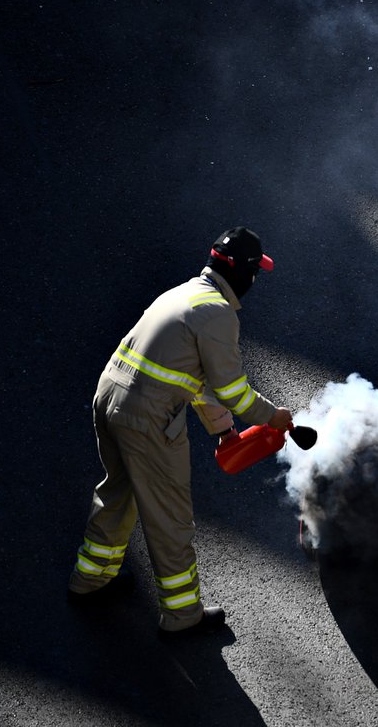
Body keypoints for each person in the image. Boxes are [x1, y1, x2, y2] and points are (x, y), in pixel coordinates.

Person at [67, 226, 294, 637]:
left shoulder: (185, 294)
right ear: (244, 272)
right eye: (256, 271)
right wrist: (271, 416)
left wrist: (223, 432)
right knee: (169, 515)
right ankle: (182, 615)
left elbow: (196, 379)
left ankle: (90, 579)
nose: (257, 280)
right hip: (146, 418)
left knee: (118, 491)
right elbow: (232, 391)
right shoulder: (218, 315)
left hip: (110, 397)